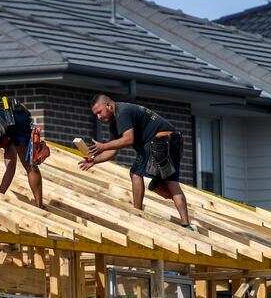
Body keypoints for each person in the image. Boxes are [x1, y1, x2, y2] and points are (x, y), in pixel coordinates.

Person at [79, 94, 193, 228]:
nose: (99, 117)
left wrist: (103, 146)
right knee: (167, 183)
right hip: (172, 140)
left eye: (99, 112)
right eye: (96, 115)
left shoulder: (123, 112)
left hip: (162, 140)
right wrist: (94, 160)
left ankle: (137, 213)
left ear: (108, 105)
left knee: (136, 173)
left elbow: (128, 139)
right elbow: (113, 151)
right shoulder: (115, 122)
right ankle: (186, 224)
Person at [0, 96, 50, 208]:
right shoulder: (9, 143)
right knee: (30, 165)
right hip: (20, 114)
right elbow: (10, 169)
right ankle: (39, 205)